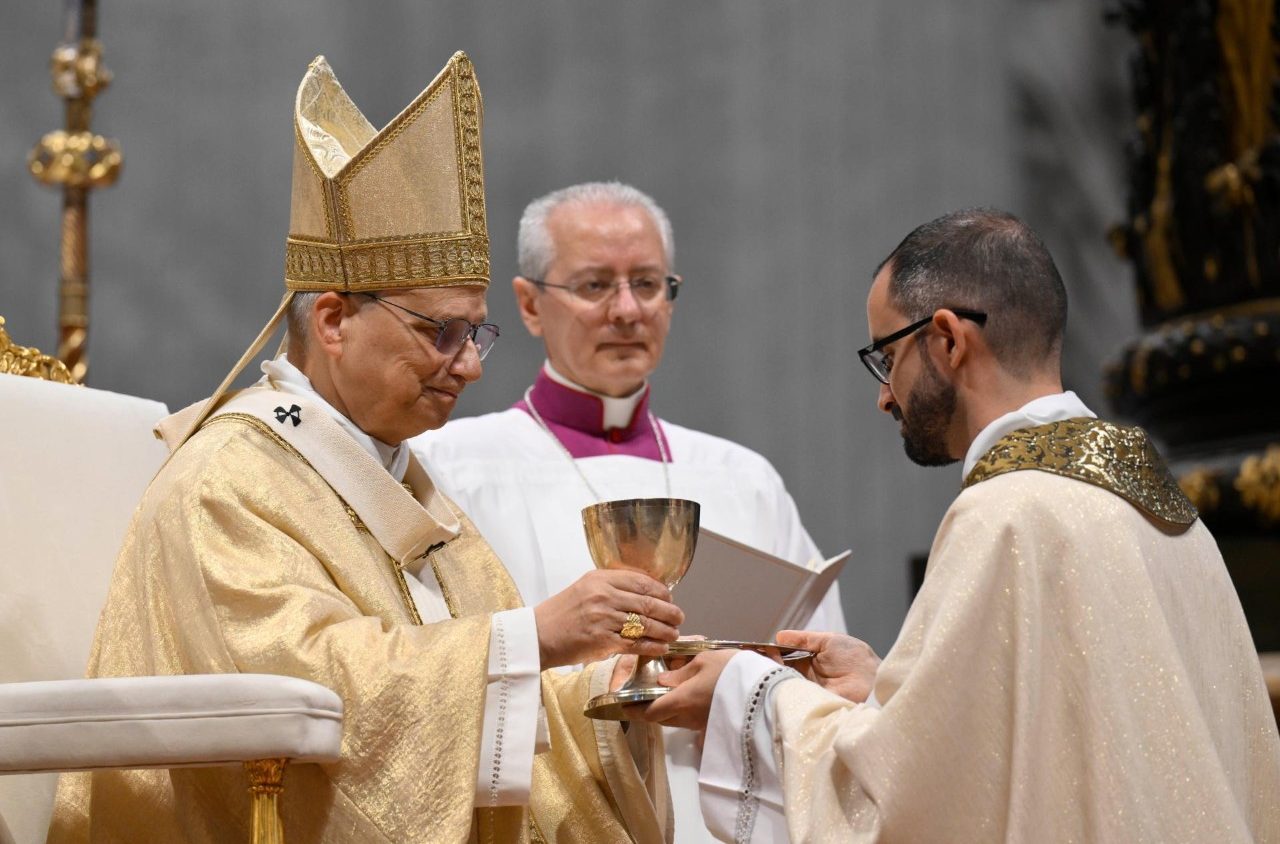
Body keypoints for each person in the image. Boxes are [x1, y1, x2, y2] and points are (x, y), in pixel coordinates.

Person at [49, 54, 681, 844]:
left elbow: (475, 694)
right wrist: (537, 636)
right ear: (336, 320)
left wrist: (607, 696)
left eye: (475, 332)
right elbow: (306, 690)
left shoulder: (404, 479)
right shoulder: (228, 481)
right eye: (440, 333)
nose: (474, 364)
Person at [637, 208, 1280, 842]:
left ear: (946, 339)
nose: (884, 394)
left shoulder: (1007, 514)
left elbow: (912, 806)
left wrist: (753, 693)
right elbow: (1060, 744)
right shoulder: (1160, 508)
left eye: (885, 357)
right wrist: (889, 691)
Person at [411, 181, 847, 842]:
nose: (626, 311)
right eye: (594, 286)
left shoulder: (742, 478)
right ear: (529, 304)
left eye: (647, 284)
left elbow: (821, 676)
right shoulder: (450, 468)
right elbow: (430, 670)